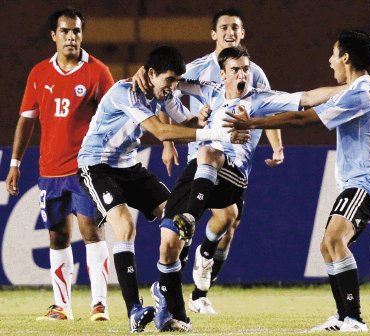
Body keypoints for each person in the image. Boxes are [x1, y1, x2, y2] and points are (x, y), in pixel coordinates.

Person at [150, 45, 344, 332]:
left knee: (208, 159)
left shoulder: (259, 99)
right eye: (236, 70)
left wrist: (351, 86)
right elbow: (170, 81)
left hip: (232, 175)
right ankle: (171, 312)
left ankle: (192, 223)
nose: (243, 74)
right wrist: (146, 75)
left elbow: (306, 97)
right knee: (168, 243)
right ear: (223, 74)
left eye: (246, 69)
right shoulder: (210, 90)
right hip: (199, 172)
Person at [224, 30, 370, 332]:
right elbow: (310, 99)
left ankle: (354, 318)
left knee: (334, 240)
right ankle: (342, 317)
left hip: (365, 183)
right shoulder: (361, 90)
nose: (330, 62)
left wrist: (253, 123)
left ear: (346, 58)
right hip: (357, 183)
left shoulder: (360, 93)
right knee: (328, 246)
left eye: (333, 54)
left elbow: (303, 117)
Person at [76, 45, 247, 333]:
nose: (172, 89)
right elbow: (163, 132)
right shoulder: (125, 92)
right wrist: (216, 132)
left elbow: (184, 123)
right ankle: (133, 310)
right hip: (97, 165)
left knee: (176, 218)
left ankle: (162, 288)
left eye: (175, 82)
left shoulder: (162, 93)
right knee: (125, 225)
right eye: (168, 81)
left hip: (129, 167)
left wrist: (202, 119)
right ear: (151, 74)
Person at [138, 7, 284, 314]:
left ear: (242, 33)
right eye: (225, 27)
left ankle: (199, 285)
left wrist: (277, 148)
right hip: (202, 154)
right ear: (214, 34)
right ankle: (182, 284)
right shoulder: (196, 69)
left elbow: (271, 110)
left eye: (236, 27)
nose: (231, 32)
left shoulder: (252, 72)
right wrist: (171, 137)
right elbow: (165, 87)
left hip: (237, 160)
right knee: (194, 216)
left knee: (228, 224)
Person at [5, 7, 114, 321]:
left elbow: (116, 113)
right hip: (49, 170)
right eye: (65, 31)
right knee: (57, 236)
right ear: (54, 35)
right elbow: (26, 121)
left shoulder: (97, 71)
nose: (71, 37)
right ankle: (62, 306)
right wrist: (15, 163)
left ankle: (99, 304)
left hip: (86, 169)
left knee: (91, 230)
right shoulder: (39, 73)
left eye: (77, 31)